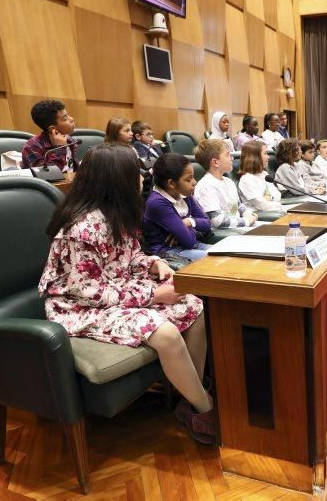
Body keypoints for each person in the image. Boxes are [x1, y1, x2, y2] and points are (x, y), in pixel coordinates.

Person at [39, 144, 215, 444]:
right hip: (77, 308)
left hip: (116, 293)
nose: (143, 176)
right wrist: (153, 295)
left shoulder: (117, 214)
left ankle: (190, 396)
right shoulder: (81, 229)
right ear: (116, 179)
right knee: (167, 333)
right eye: (135, 171)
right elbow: (87, 292)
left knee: (193, 305)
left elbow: (130, 259)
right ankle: (205, 408)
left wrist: (155, 263)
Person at [143, 154, 211, 268]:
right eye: (189, 179)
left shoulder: (184, 194)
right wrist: (185, 230)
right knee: (220, 260)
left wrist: (187, 222)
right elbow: (188, 240)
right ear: (171, 183)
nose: (194, 182)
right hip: (169, 253)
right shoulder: (157, 203)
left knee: (230, 253)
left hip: (191, 247)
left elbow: (207, 223)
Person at [194, 139, 257, 229]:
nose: (232, 158)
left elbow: (238, 205)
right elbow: (217, 220)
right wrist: (246, 221)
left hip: (238, 228)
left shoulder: (229, 181)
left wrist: (249, 214)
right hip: (223, 234)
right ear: (215, 162)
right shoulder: (206, 186)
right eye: (227, 155)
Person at [21, 99, 78, 171]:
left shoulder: (70, 140)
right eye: (65, 118)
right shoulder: (31, 147)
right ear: (53, 129)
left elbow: (72, 171)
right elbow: (47, 175)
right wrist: (60, 148)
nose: (72, 119)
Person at [237, 140, 282, 212]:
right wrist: (274, 202)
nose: (268, 157)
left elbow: (278, 195)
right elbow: (262, 205)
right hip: (259, 217)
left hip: (273, 211)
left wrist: (269, 200)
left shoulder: (264, 174)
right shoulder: (246, 179)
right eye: (265, 153)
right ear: (255, 157)